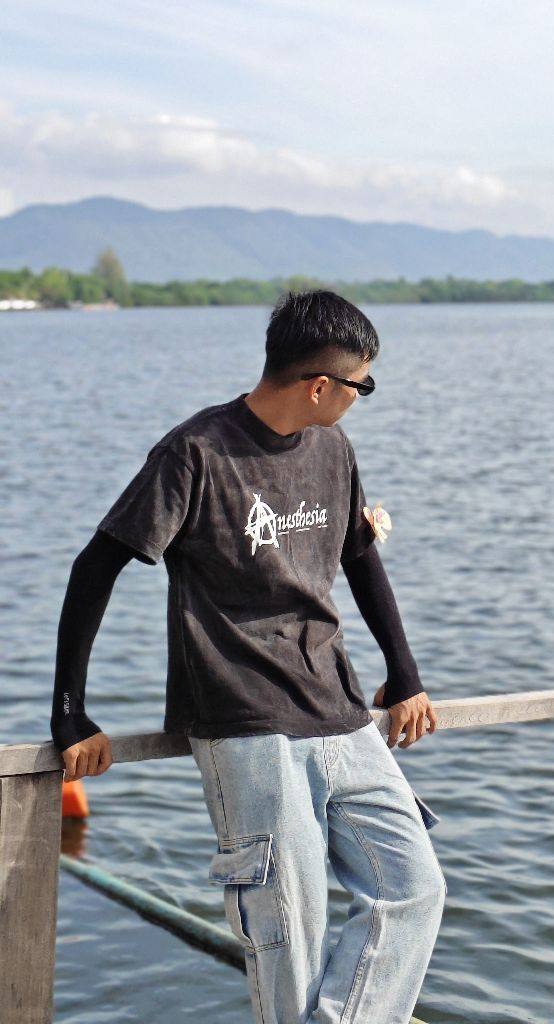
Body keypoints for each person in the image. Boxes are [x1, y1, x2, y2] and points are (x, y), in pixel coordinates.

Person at [49, 289, 446, 1024]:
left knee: (413, 887)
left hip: (338, 709)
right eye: (362, 386)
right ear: (319, 385)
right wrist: (70, 714)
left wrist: (405, 674)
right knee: (288, 932)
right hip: (245, 724)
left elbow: (361, 558)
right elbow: (94, 567)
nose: (362, 398)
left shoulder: (333, 450)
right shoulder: (196, 454)